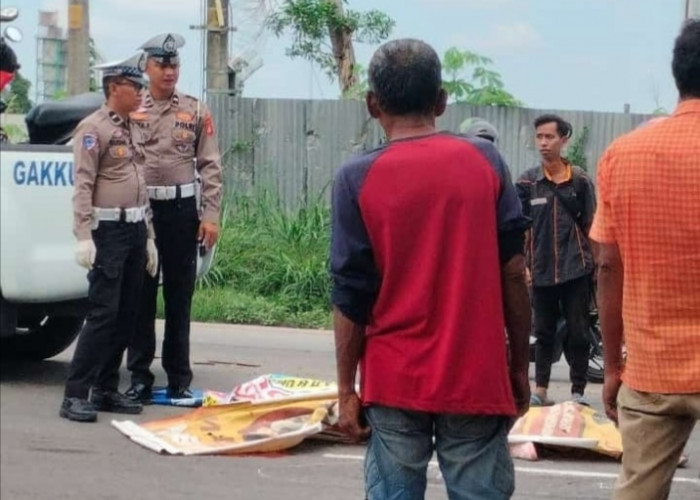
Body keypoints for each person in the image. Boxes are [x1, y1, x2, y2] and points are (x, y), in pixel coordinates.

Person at [330, 38, 531, 500]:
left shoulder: (356, 177)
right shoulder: (486, 162)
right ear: (441, 102)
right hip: (476, 377)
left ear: (372, 104)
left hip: (394, 379)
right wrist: (518, 367)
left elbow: (350, 292)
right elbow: (512, 273)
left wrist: (346, 390)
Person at [591, 19, 700, 500]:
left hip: (653, 368)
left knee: (638, 490)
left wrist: (613, 366)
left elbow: (608, 266)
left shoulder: (623, 154)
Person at [60, 53, 158, 423]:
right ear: (115, 88)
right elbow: (83, 185)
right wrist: (83, 235)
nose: (141, 95)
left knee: (127, 314)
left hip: (133, 229)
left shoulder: (133, 127)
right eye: (136, 88)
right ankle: (75, 394)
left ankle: (104, 388)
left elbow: (140, 184)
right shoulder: (93, 129)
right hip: (108, 231)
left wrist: (147, 236)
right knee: (102, 314)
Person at [125, 33, 223, 403]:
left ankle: (179, 379)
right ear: (146, 67)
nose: (169, 72)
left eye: (174, 65)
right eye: (162, 65)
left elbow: (210, 166)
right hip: (144, 212)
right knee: (141, 296)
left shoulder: (195, 110)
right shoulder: (133, 107)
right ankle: (138, 377)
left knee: (180, 297)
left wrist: (210, 215)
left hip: (182, 212)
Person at [516, 114, 596, 407]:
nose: (543, 143)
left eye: (549, 137)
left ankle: (578, 392)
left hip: (577, 268)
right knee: (543, 333)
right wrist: (522, 265)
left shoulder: (580, 181)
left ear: (564, 140)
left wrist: (597, 268)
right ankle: (541, 390)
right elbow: (519, 228)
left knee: (578, 332)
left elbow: (592, 226)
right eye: (539, 137)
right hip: (540, 269)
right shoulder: (527, 182)